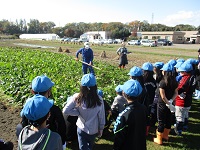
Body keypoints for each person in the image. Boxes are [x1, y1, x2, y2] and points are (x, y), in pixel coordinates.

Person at [16, 75, 67, 148]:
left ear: (32, 91)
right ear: (49, 91)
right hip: (51, 140)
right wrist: (63, 142)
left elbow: (23, 121)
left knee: (18, 127)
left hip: (31, 136)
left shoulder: (29, 105)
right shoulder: (54, 109)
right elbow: (62, 128)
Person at [62, 74, 105, 150]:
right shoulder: (99, 99)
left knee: (82, 147)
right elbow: (101, 116)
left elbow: (65, 110)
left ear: (82, 87)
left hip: (81, 128)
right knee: (90, 145)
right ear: (95, 87)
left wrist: (78, 113)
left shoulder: (77, 97)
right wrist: (101, 128)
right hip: (93, 129)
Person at [113, 79, 147, 150]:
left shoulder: (123, 115)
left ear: (123, 93)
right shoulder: (143, 108)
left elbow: (118, 137)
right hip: (140, 145)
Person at [154, 63, 178, 145]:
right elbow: (176, 93)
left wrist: (167, 102)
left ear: (165, 72)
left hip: (162, 104)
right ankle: (166, 136)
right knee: (168, 120)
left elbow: (163, 96)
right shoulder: (175, 82)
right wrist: (171, 101)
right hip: (170, 104)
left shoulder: (162, 82)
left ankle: (159, 139)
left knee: (161, 121)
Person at [174, 62, 196, 135]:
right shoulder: (193, 77)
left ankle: (178, 130)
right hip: (188, 100)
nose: (180, 72)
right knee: (185, 114)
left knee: (179, 115)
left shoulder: (185, 78)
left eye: (181, 71)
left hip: (181, 101)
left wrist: (176, 89)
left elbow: (181, 88)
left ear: (185, 72)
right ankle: (185, 126)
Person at [142, 62, 157, 135]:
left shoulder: (142, 80)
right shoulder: (153, 80)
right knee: (147, 116)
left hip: (143, 102)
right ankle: (146, 131)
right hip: (151, 101)